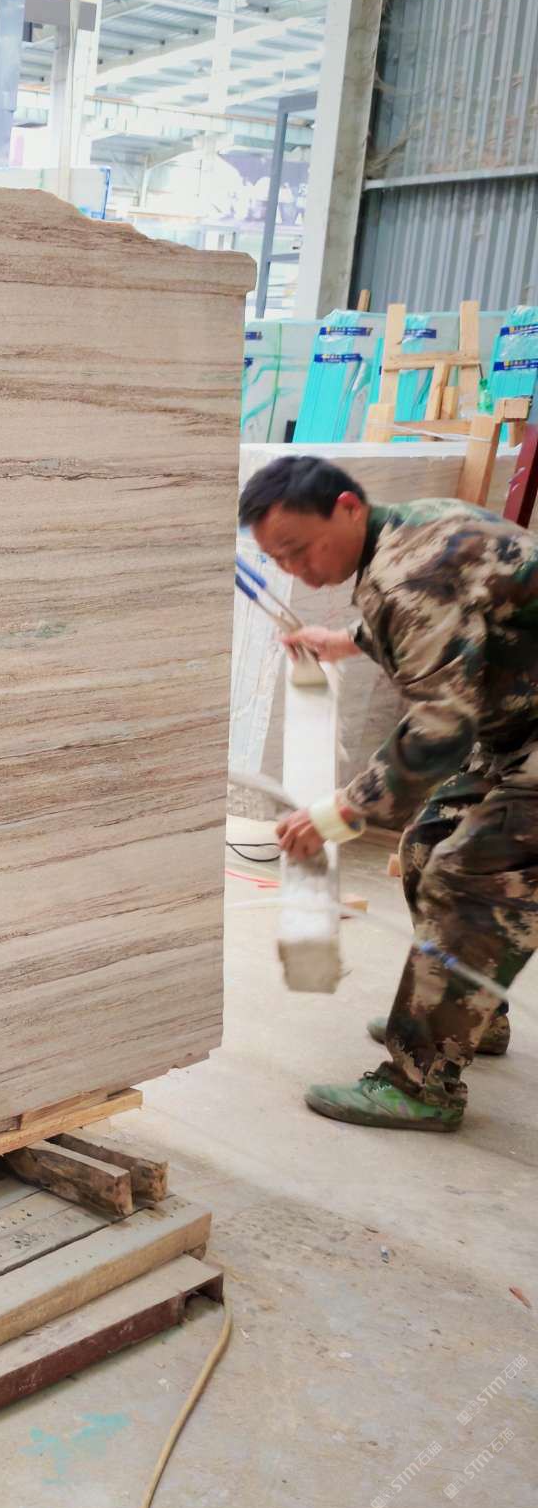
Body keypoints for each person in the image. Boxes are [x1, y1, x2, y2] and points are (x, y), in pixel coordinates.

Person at [239, 454, 531, 1132]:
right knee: (428, 845)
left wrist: (342, 811)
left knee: (470, 878)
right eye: (279, 560)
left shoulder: (407, 574)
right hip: (520, 725)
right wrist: (345, 641)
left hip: (522, 732)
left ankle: (422, 1084)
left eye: (300, 549)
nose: (297, 570)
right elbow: (451, 616)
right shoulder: (410, 530)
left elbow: (440, 730)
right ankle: (470, 1014)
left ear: (347, 508)